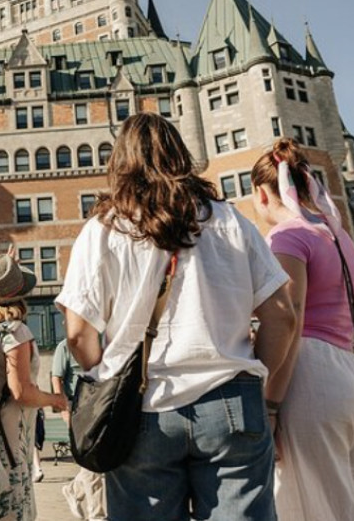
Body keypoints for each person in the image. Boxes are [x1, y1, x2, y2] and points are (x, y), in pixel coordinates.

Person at [57, 113, 297, 521]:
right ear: (181, 155)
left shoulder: (103, 229)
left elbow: (79, 336)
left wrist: (109, 374)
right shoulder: (230, 221)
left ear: (121, 161)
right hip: (231, 399)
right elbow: (283, 317)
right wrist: (262, 388)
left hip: (141, 407)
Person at [250, 138, 354, 521]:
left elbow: (290, 318)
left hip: (311, 382)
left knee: (305, 511)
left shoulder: (287, 237)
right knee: (341, 510)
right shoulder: (340, 238)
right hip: (353, 382)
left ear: (261, 193)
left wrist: (270, 406)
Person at [0, 251, 68, 521]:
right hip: (8, 442)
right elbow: (22, 392)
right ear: (19, 295)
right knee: (10, 510)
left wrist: (3, 272)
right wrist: (55, 399)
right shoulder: (15, 331)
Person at [52, 339, 106, 521]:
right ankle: (97, 514)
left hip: (100, 405)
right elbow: (56, 377)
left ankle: (74, 490)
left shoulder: (101, 339)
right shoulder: (64, 347)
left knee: (98, 457)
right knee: (92, 457)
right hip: (77, 409)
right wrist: (63, 410)